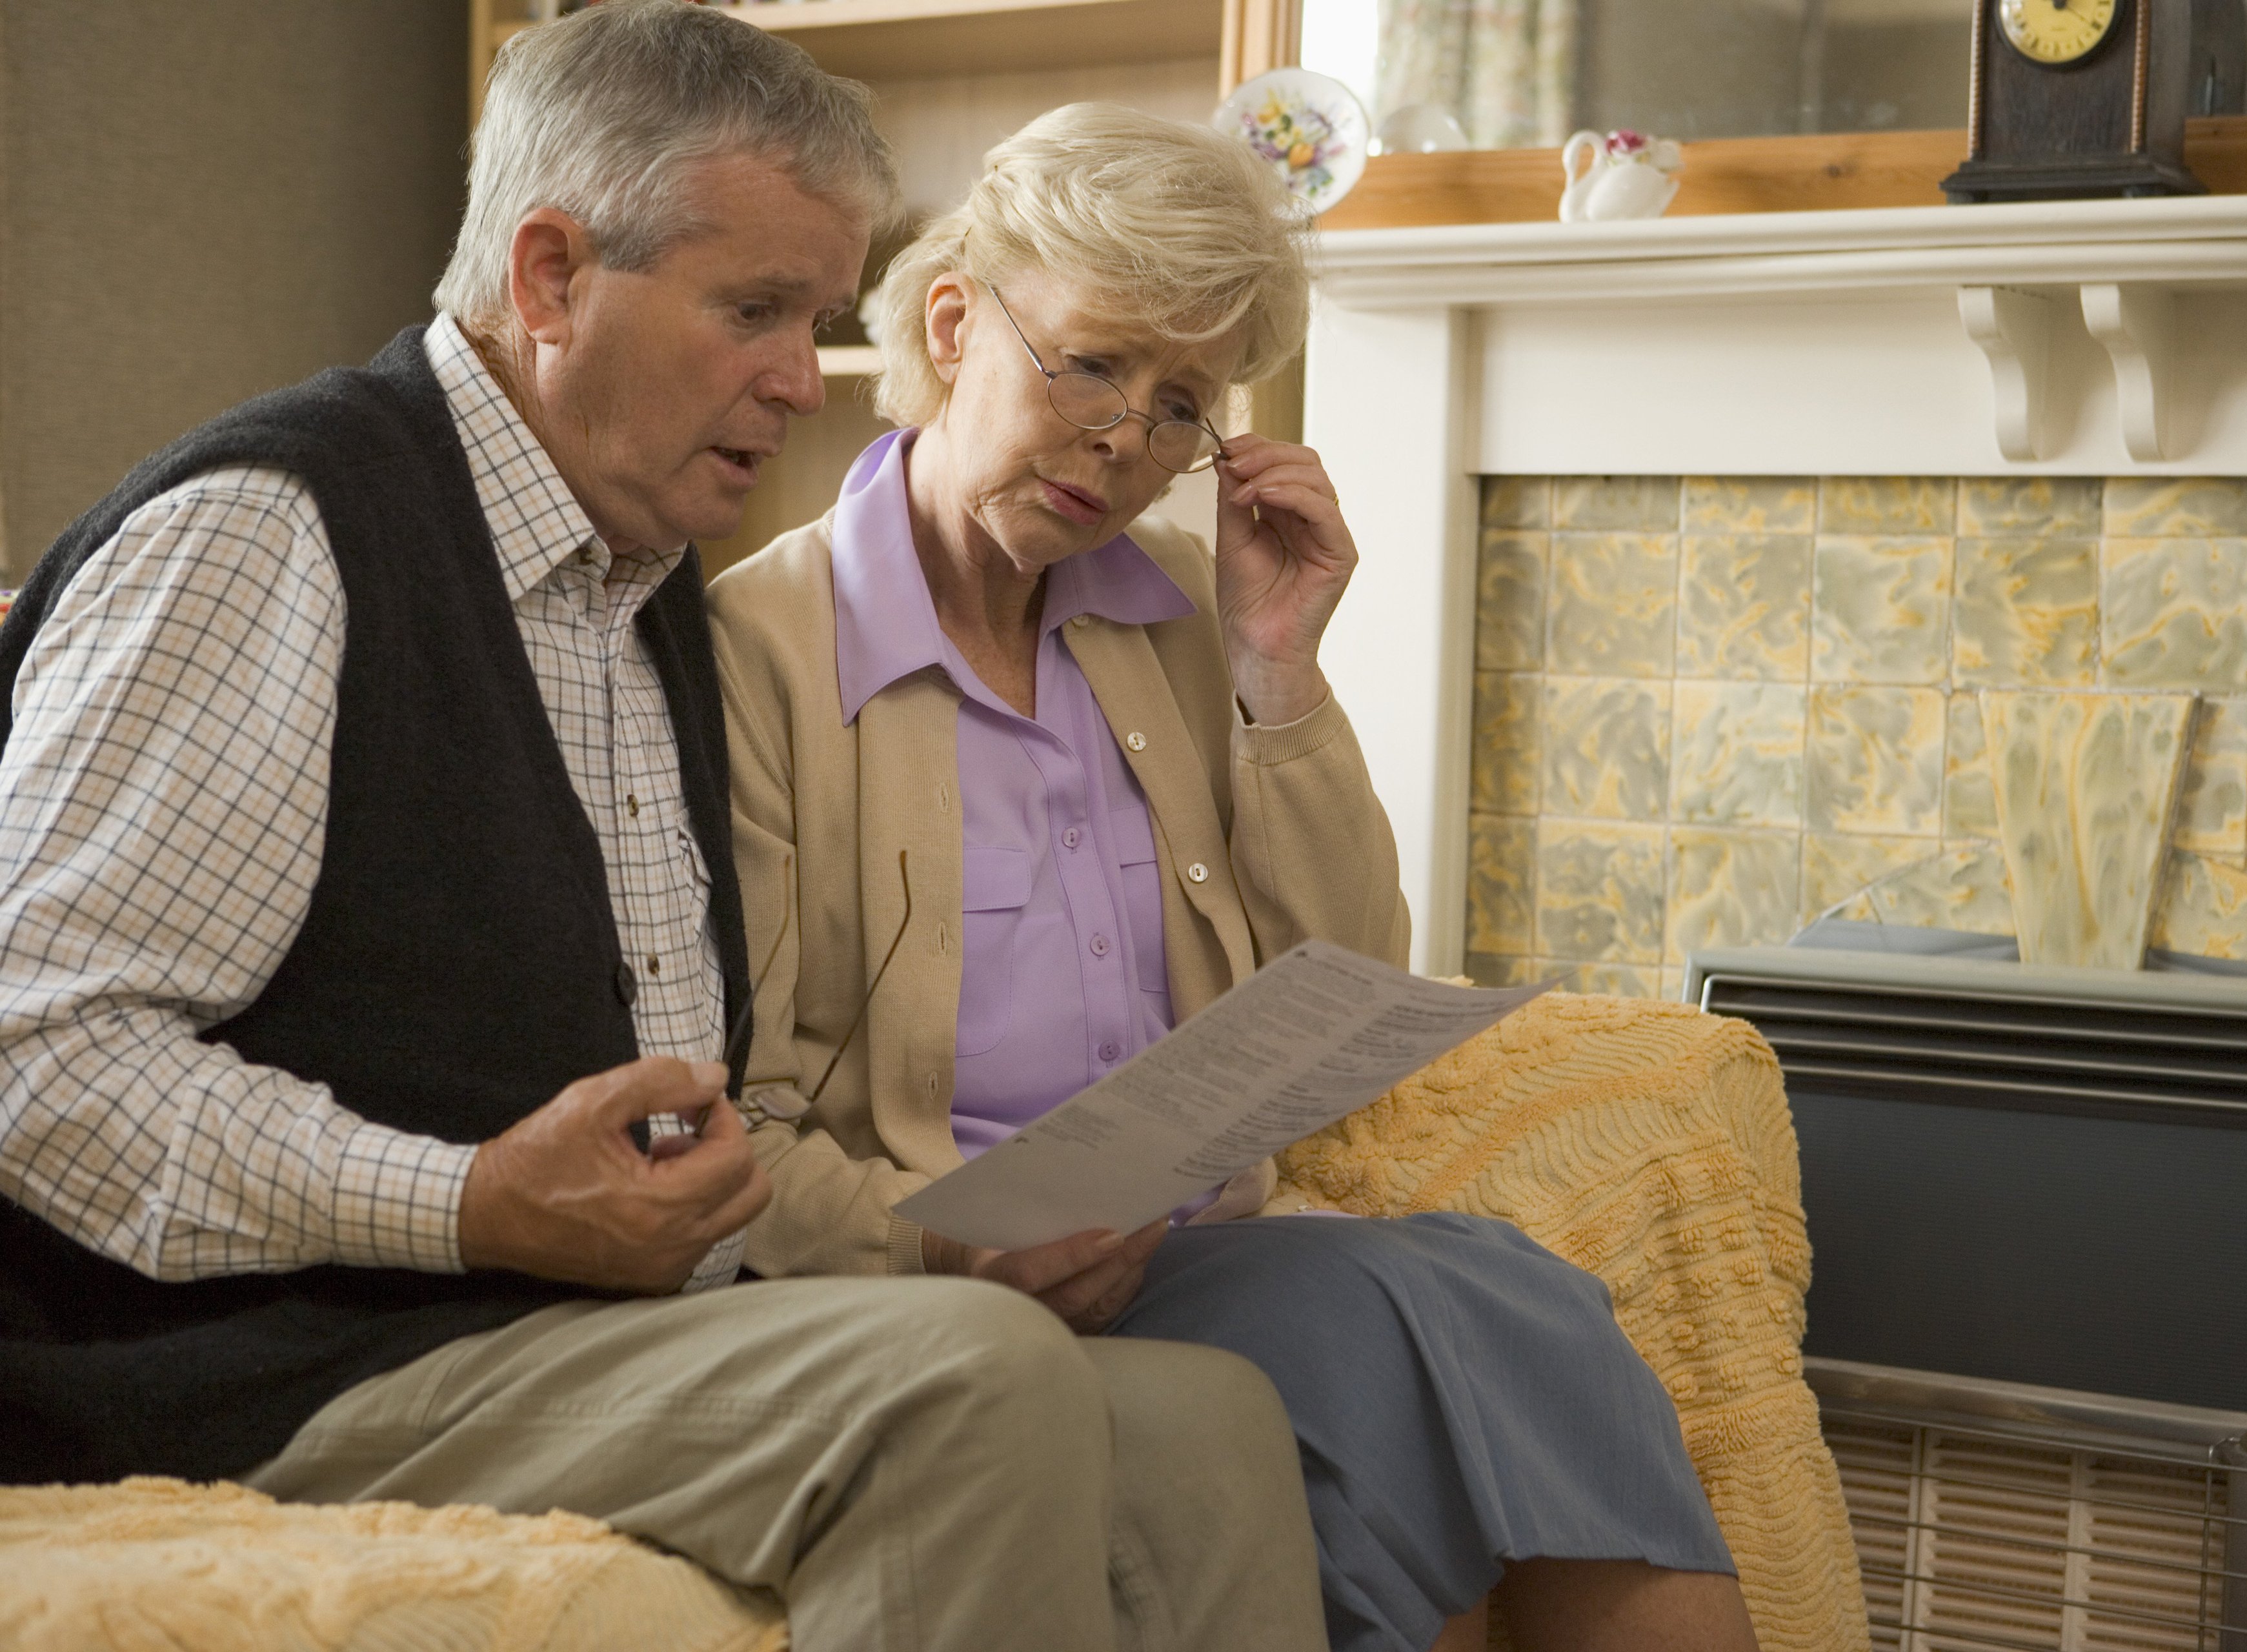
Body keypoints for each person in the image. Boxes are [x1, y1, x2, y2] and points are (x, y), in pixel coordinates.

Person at [0, 10, 1328, 1651]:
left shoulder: (637, 594)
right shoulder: (277, 532)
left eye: (818, 317)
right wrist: (471, 1197)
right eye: (755, 310)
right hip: (276, 1360)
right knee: (965, 1381)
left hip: (568, 1316)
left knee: (1206, 1425)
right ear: (551, 276)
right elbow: (39, 1060)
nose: (803, 375)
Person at [707, 103, 1763, 1652]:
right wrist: (945, 1237)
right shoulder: (759, 655)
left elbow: (1342, 972)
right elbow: (736, 1120)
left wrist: (1281, 670)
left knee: (1512, 1290)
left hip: (1201, 1237)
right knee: (1377, 1319)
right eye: (1094, 361)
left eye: (1183, 399)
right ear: (953, 323)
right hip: (948, 1274)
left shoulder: (1189, 614)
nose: (1131, 438)